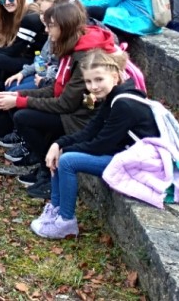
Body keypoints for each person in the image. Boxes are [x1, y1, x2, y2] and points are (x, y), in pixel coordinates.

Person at [0, 0, 119, 198]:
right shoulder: (71, 47)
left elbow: (65, 103)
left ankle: (48, 172)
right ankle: (42, 164)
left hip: (82, 117)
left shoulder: (84, 57)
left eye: (50, 26)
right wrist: (19, 95)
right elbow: (56, 88)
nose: (46, 30)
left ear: (64, 27)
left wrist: (19, 101)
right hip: (73, 109)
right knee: (18, 104)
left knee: (23, 117)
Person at [31, 50, 158, 239]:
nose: (94, 87)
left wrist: (64, 150)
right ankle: (55, 211)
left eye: (99, 79)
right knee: (61, 154)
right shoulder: (113, 96)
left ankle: (66, 222)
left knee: (67, 161)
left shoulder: (124, 104)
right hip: (123, 155)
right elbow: (89, 131)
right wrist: (58, 144)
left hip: (139, 163)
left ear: (114, 76)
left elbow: (101, 145)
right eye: (89, 82)